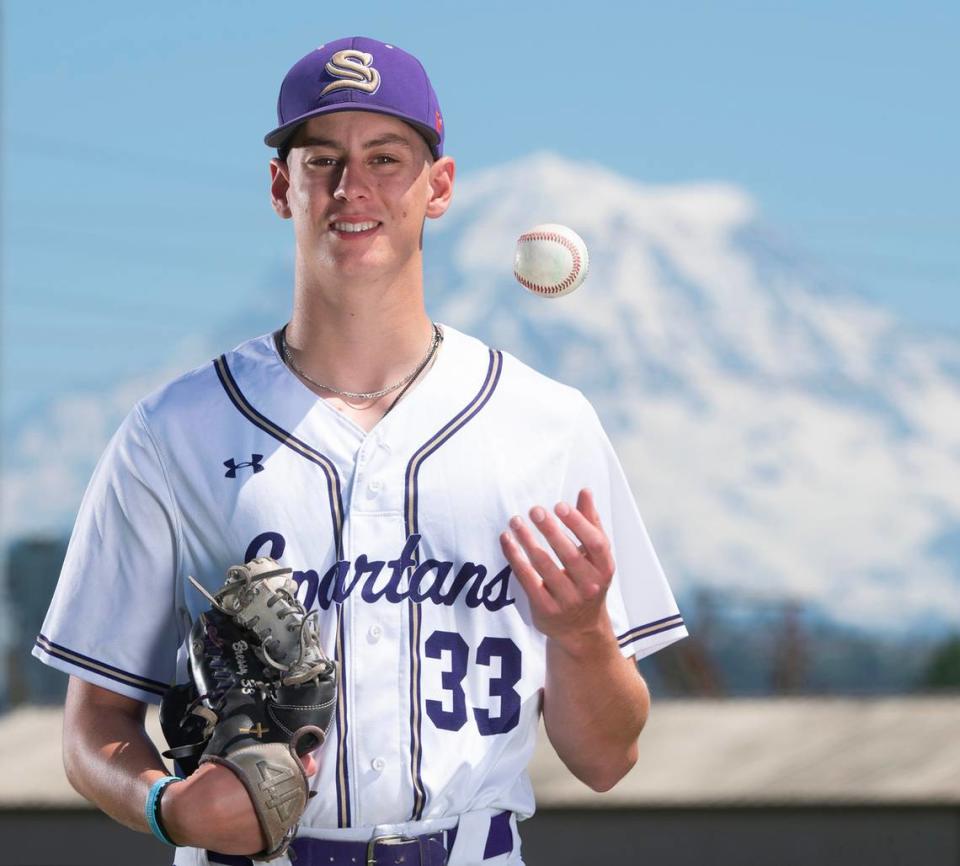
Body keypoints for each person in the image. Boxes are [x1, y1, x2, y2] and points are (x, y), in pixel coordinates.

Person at [33, 36, 687, 866]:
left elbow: (606, 759)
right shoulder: (175, 431)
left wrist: (586, 633)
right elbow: (91, 728)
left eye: (386, 157)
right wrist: (168, 808)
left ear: (438, 187)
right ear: (282, 186)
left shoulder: (546, 424)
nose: (352, 188)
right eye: (322, 160)